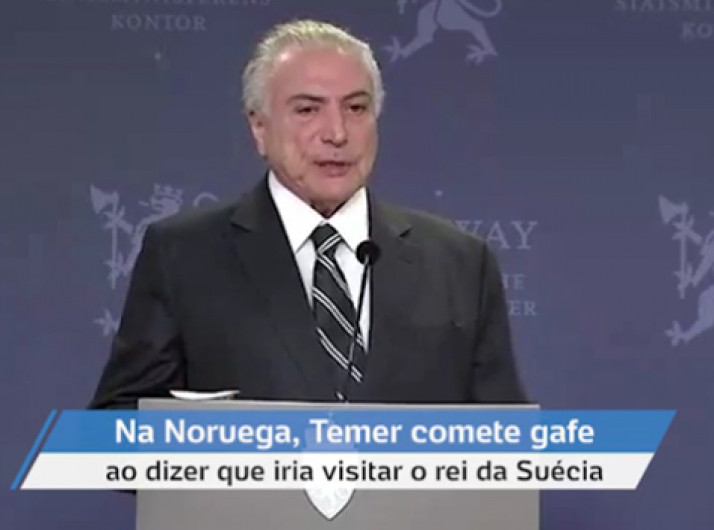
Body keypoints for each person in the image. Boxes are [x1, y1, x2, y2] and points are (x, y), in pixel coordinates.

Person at [88, 19, 527, 409]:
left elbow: (507, 440)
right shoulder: (183, 256)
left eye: (356, 108)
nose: (337, 133)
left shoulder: (459, 262)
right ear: (259, 127)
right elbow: (119, 425)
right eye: (307, 109)